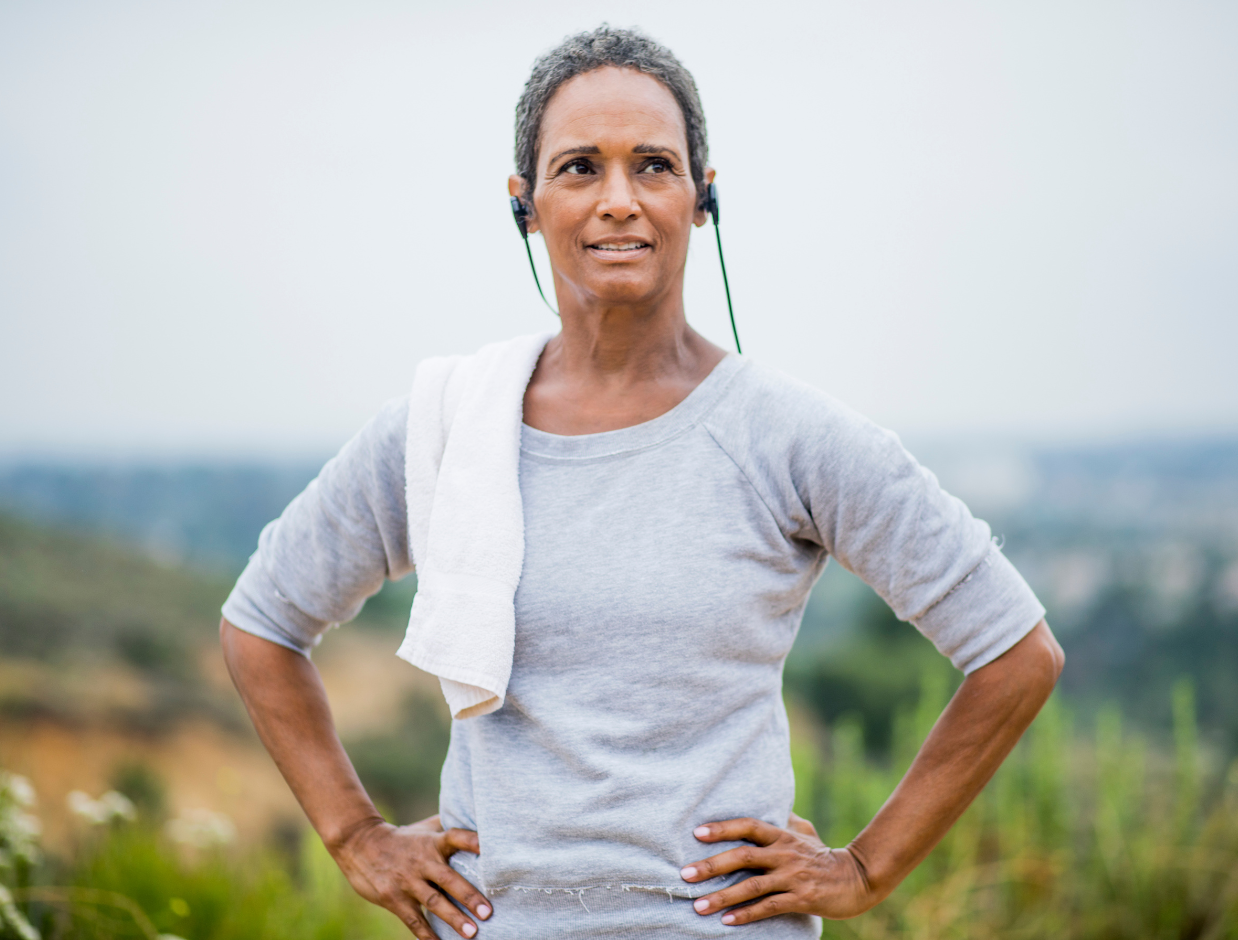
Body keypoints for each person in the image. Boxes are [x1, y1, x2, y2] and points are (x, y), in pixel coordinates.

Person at [220, 25, 1064, 940]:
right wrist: (355, 837)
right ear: (526, 203)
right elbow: (261, 626)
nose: (618, 200)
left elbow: (1017, 655)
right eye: (580, 167)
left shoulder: (785, 435)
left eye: (653, 166)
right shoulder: (451, 428)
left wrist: (863, 868)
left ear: (702, 198)